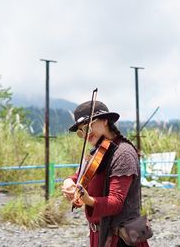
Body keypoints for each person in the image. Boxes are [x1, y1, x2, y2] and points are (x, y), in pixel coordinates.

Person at [62, 100, 150, 247]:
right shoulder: (97, 152)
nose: (85, 135)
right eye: (80, 131)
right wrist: (69, 182)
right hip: (101, 236)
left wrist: (88, 200)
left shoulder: (123, 153)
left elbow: (116, 202)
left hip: (122, 240)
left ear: (105, 121)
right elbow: (80, 176)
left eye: (88, 127)